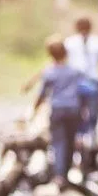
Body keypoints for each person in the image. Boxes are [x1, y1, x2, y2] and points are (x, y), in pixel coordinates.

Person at [23, 16, 98, 144]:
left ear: (76, 28)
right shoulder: (84, 42)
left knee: (86, 111)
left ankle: (87, 135)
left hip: (85, 83)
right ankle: (86, 135)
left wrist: (32, 82)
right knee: (88, 111)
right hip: (82, 82)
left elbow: (53, 64)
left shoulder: (77, 42)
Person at [32, 37, 84, 186]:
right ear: (66, 53)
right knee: (70, 142)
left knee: (58, 142)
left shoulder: (49, 72)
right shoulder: (74, 72)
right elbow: (85, 89)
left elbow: (41, 95)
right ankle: (66, 175)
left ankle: (60, 176)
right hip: (73, 110)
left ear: (50, 55)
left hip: (57, 110)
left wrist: (34, 111)